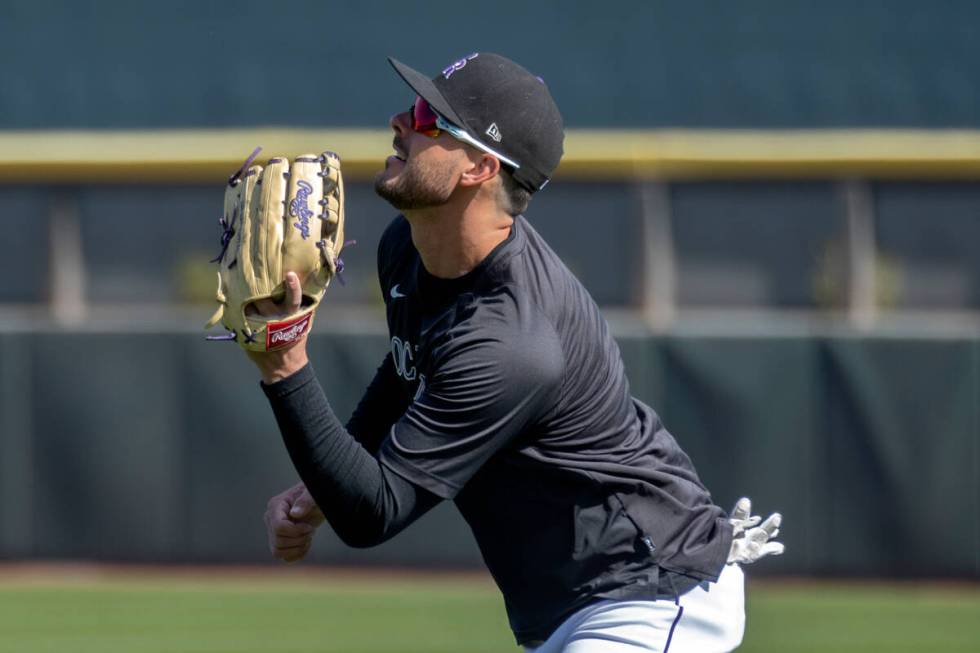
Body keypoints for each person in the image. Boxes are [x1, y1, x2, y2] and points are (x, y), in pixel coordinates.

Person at [249, 52, 783, 652]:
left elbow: (375, 513)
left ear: (479, 166)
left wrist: (285, 365)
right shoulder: (408, 248)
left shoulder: (509, 339)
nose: (401, 118)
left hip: (648, 593)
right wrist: (328, 484)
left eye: (430, 116)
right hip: (570, 607)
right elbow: (406, 373)